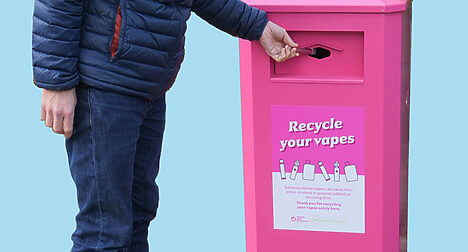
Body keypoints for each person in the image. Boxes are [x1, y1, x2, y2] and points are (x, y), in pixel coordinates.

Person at [32, 0, 298, 251]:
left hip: (149, 89)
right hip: (104, 86)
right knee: (105, 228)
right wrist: (57, 82)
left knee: (139, 213)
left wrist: (257, 26)